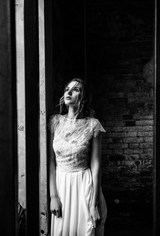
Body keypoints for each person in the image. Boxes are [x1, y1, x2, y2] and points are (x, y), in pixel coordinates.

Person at [48, 78, 107, 236]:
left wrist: (94, 205)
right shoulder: (55, 122)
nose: (69, 92)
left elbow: (96, 166)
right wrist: (53, 196)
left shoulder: (93, 125)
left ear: (84, 98)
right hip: (60, 184)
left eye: (76, 89)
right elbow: (50, 162)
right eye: (67, 88)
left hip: (83, 185)